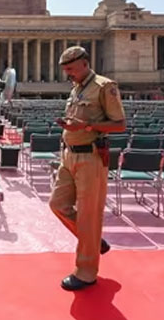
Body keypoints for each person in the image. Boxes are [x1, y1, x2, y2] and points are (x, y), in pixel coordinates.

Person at [50, 46, 126, 291]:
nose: (68, 74)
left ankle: (86, 272)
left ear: (84, 63)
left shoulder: (104, 87)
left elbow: (120, 125)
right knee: (57, 204)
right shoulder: (76, 88)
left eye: (70, 69)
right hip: (68, 157)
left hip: (91, 158)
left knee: (88, 216)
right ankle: (93, 242)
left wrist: (87, 126)